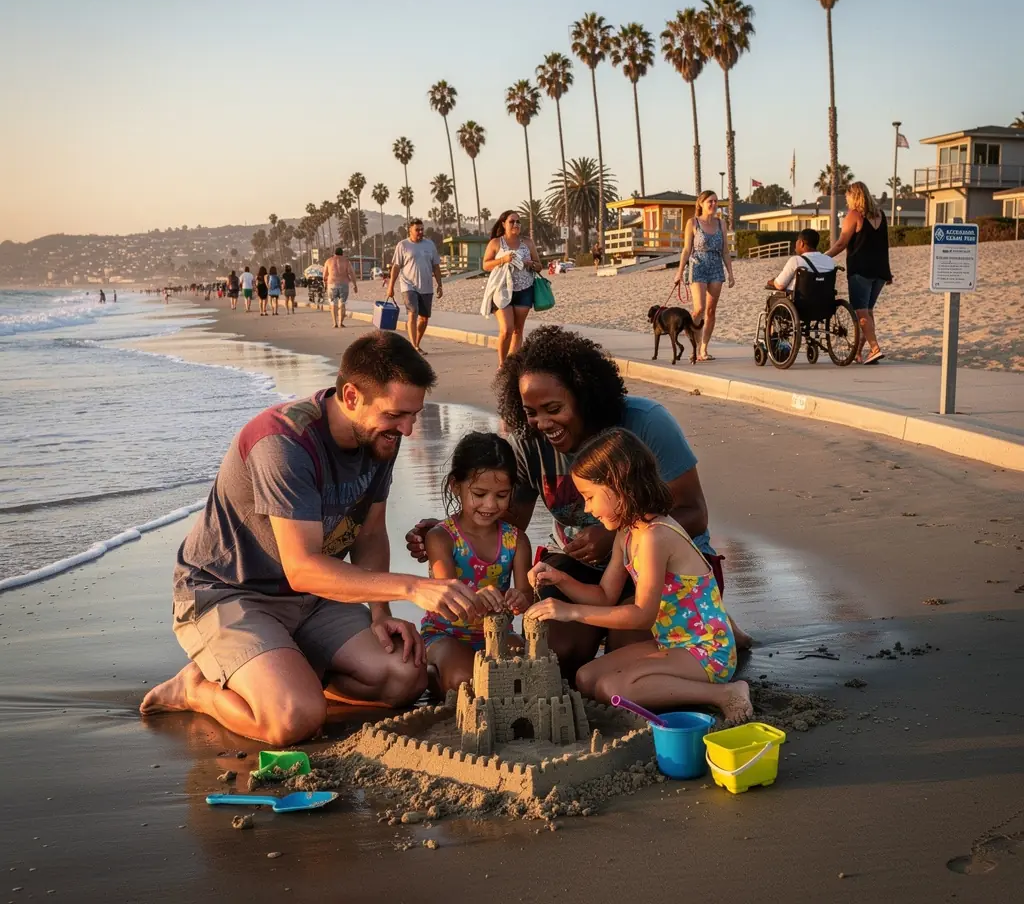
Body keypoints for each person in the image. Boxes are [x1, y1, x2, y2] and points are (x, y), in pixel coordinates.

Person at [140, 332, 487, 746]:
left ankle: (286, 669)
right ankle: (196, 690)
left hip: (314, 600)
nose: (408, 429)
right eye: (397, 415)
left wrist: (381, 613)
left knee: (406, 679)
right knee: (293, 721)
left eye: (414, 414)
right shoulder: (284, 443)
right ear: (352, 396)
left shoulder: (380, 438)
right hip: (228, 593)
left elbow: (371, 531)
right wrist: (414, 587)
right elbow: (302, 567)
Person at [406, 325, 750, 683]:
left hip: (661, 567)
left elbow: (694, 512)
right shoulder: (529, 442)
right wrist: (451, 528)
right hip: (582, 569)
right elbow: (507, 523)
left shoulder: (644, 424)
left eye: (553, 408)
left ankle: (718, 625)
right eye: (531, 412)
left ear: (584, 395)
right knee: (556, 656)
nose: (542, 424)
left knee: (628, 653)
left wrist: (611, 535)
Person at [527, 428, 751, 722]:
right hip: (672, 641)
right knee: (585, 677)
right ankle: (672, 690)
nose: (587, 508)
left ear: (619, 484)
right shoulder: (627, 531)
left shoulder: (655, 536)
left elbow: (643, 615)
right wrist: (560, 579)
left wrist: (570, 612)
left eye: (590, 496)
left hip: (706, 650)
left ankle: (725, 693)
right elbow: (605, 596)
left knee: (612, 688)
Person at [421, 432, 533, 695]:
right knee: (466, 681)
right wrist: (476, 598)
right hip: (445, 634)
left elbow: (527, 593)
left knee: (532, 671)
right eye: (479, 494)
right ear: (455, 486)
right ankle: (430, 676)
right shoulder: (441, 538)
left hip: (496, 635)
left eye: (502, 495)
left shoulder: (516, 540)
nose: (490, 505)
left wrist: (519, 598)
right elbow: (447, 600)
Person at [827, 181, 892, 365]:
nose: (846, 200)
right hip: (879, 271)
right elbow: (884, 245)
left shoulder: (854, 215)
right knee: (868, 312)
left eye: (848, 197)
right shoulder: (881, 215)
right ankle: (857, 353)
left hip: (861, 270)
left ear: (854, 196)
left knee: (861, 313)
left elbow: (841, 243)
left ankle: (875, 349)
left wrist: (824, 257)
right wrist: (888, 271)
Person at [675, 190, 734, 362]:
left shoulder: (721, 223)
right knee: (699, 309)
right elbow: (686, 250)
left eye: (716, 201)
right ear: (701, 203)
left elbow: (725, 250)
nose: (714, 204)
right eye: (710, 201)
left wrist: (730, 273)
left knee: (711, 311)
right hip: (698, 265)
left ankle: (703, 349)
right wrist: (679, 272)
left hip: (716, 266)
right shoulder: (692, 223)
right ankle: (694, 341)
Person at [481, 209, 542, 366]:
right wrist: (503, 260)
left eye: (518, 221)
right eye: (512, 221)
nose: (516, 224)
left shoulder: (527, 242)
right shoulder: (496, 243)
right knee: (507, 329)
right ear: (504, 224)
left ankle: (512, 365)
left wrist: (531, 264)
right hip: (502, 289)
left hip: (524, 289)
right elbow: (486, 265)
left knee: (517, 330)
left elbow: (540, 266)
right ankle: (502, 363)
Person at [386, 219, 443, 354]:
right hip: (408, 285)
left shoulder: (430, 245)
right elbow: (396, 267)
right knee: (413, 312)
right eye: (417, 230)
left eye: (422, 229)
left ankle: (416, 343)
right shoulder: (403, 245)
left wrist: (440, 284)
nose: (420, 232)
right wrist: (391, 286)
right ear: (410, 231)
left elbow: (436, 266)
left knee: (424, 318)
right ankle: (414, 347)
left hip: (426, 286)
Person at [766, 228, 836, 292]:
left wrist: (773, 281)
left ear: (801, 243)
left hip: (800, 300)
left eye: (797, 241)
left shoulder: (796, 260)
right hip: (825, 301)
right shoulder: (829, 260)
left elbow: (780, 285)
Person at [323, 248, 358, 329]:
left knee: (333, 304)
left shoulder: (328, 261)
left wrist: (324, 284)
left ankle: (335, 323)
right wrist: (355, 285)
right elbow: (351, 273)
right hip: (344, 284)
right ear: (342, 253)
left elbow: (324, 275)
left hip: (332, 284)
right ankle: (341, 323)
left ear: (334, 253)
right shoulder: (346, 261)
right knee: (342, 303)